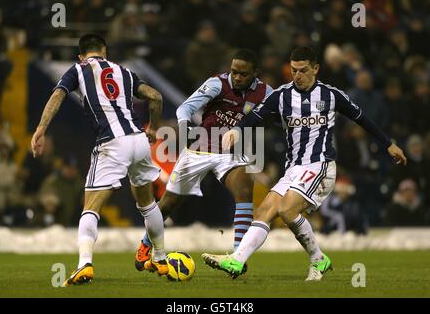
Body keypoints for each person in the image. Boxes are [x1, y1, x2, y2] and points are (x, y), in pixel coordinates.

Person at [202, 46, 407, 281]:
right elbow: (255, 116)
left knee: (287, 210)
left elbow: (362, 118)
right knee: (265, 210)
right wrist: (237, 130)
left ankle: (317, 259)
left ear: (316, 68)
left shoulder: (331, 95)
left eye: (303, 70)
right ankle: (238, 261)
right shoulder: (281, 96)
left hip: (320, 165)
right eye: (293, 70)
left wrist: (388, 143)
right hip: (294, 168)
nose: (297, 76)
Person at [30, 34, 168, 286]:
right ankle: (159, 257)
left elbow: (57, 96)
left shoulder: (78, 69)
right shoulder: (124, 71)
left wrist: (41, 128)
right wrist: (153, 129)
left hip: (112, 143)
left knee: (90, 208)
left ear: (81, 55)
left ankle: (84, 265)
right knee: (148, 205)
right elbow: (156, 97)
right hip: (138, 140)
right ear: (104, 51)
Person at [135, 49, 273, 271]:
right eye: (234, 71)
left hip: (231, 153)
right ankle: (145, 244)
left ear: (255, 73)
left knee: (245, 188)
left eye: (243, 74)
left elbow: (275, 116)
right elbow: (185, 108)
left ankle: (238, 257)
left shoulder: (267, 93)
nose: (236, 77)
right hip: (200, 149)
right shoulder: (217, 84)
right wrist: (184, 127)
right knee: (169, 204)